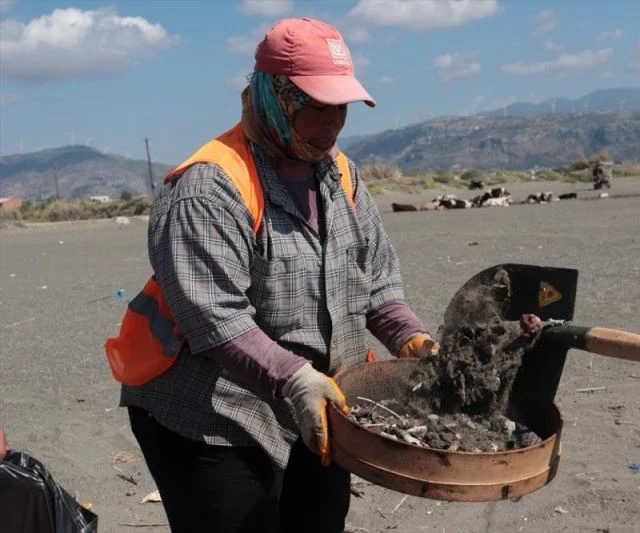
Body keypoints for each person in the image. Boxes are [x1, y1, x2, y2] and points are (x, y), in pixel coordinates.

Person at [109, 17, 438, 533]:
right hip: (209, 416)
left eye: (340, 107)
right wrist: (294, 378)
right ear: (273, 95)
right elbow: (217, 319)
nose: (331, 123)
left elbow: (377, 285)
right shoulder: (208, 188)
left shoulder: (341, 176)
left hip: (314, 405)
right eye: (314, 105)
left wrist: (412, 336)